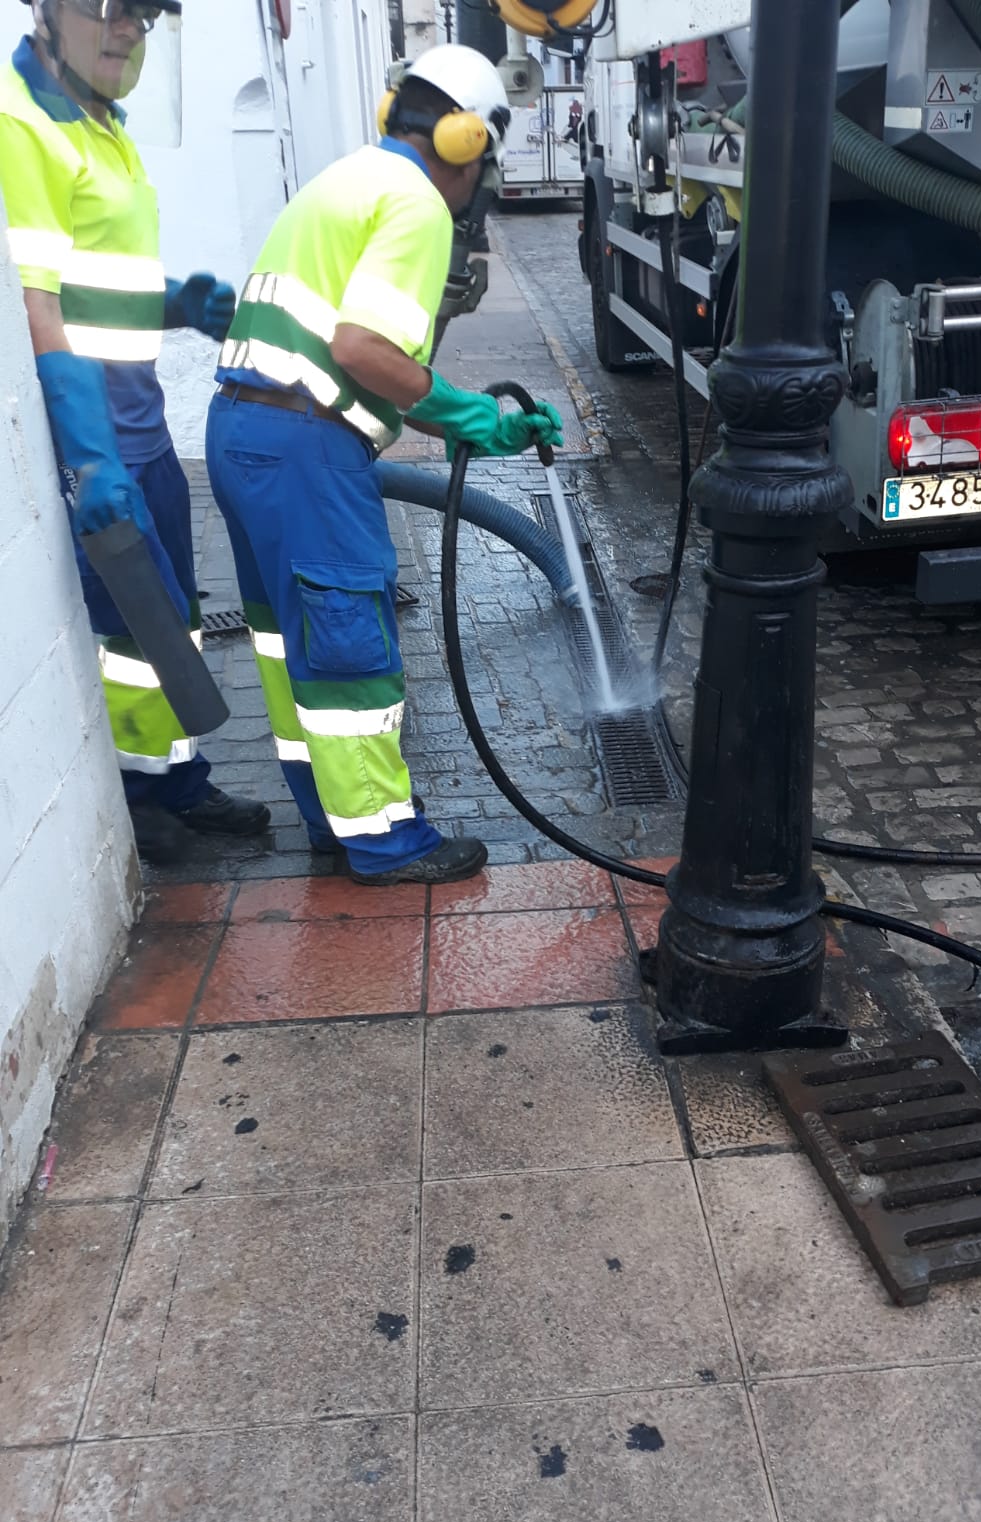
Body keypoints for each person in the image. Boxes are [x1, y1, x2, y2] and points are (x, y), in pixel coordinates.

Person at [206, 45, 562, 887]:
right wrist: (474, 416)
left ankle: (333, 816)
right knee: (346, 643)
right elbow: (360, 346)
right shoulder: (416, 203)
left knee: (286, 641)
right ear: (466, 143)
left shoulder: (344, 179)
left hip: (239, 435)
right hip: (306, 448)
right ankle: (384, 840)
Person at [0, 0, 270, 863]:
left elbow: (91, 280)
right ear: (48, 11)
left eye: (144, 18)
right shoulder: (24, 126)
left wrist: (171, 303)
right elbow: (37, 305)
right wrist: (88, 456)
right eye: (110, 10)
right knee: (126, 628)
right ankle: (137, 792)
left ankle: (179, 779)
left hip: (144, 427)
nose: (126, 31)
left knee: (171, 621)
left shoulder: (99, 121)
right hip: (99, 439)